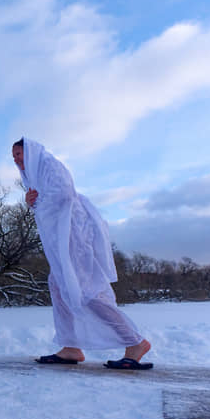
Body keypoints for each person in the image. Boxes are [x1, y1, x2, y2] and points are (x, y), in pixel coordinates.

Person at [12, 138, 153, 370]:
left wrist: (40, 203)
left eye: (19, 153)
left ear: (31, 152)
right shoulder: (35, 175)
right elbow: (46, 201)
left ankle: (135, 342)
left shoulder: (49, 165)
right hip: (60, 239)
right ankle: (71, 346)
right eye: (14, 156)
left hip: (73, 236)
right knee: (58, 285)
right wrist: (31, 202)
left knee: (86, 289)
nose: (17, 159)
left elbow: (64, 195)